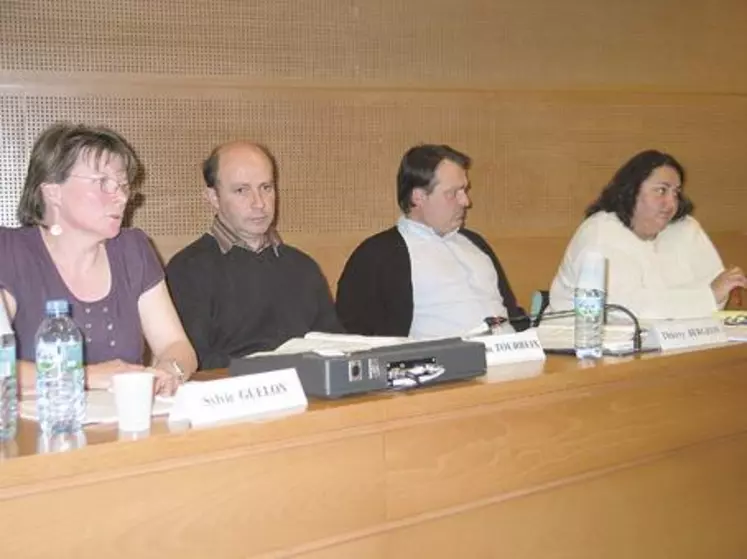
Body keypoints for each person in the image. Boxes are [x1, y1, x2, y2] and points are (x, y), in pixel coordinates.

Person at [0, 122, 197, 395]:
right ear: (53, 191)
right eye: (104, 183)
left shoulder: (133, 249)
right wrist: (87, 377)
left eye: (124, 186)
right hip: (39, 428)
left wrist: (169, 372)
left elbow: (176, 344)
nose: (121, 198)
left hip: (127, 422)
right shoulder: (9, 251)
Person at [165, 141, 342, 369]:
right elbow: (194, 363)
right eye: (242, 190)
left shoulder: (303, 267)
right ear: (213, 198)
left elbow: (336, 348)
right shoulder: (187, 271)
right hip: (231, 397)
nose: (259, 203)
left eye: (266, 188)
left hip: (310, 398)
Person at [336, 144, 529, 338]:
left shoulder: (476, 243)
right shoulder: (376, 255)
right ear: (419, 197)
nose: (465, 202)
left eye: (464, 190)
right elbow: (356, 336)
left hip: (516, 357)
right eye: (453, 193)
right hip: (449, 365)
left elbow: (512, 313)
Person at [549, 149, 747, 319]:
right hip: (581, 349)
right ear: (632, 191)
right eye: (661, 190)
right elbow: (625, 309)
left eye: (676, 193)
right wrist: (707, 297)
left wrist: (715, 294)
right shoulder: (601, 231)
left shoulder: (685, 228)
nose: (671, 203)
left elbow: (716, 300)